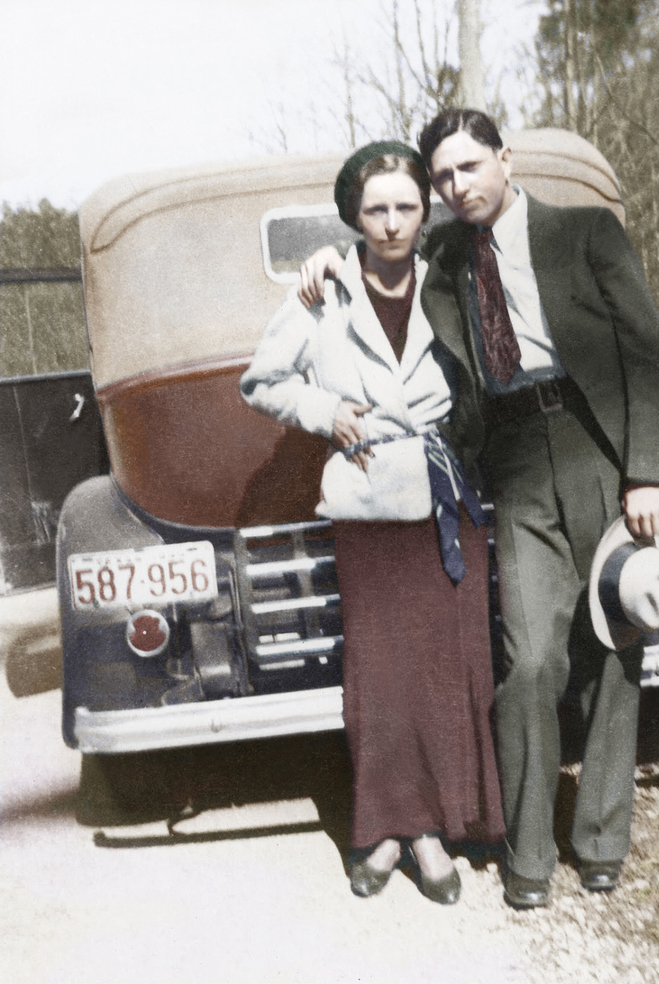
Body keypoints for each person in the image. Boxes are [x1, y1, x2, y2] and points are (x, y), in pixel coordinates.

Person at [298, 111, 659, 909]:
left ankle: (602, 839)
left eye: (469, 167)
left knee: (615, 644)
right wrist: (327, 260)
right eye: (442, 177)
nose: (455, 186)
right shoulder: (441, 256)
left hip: (598, 448)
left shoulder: (586, 233)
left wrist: (647, 473)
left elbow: (647, 355)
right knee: (532, 657)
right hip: (510, 460)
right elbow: (377, 253)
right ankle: (528, 852)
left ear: (506, 159)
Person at [240, 141, 505, 905]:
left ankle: (442, 828)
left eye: (406, 207)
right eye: (376, 209)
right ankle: (390, 833)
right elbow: (261, 380)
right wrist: (326, 411)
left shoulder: (452, 275)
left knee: (448, 667)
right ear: (353, 215)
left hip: (446, 495)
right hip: (365, 498)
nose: (392, 224)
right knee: (380, 675)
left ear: (427, 211)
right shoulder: (324, 289)